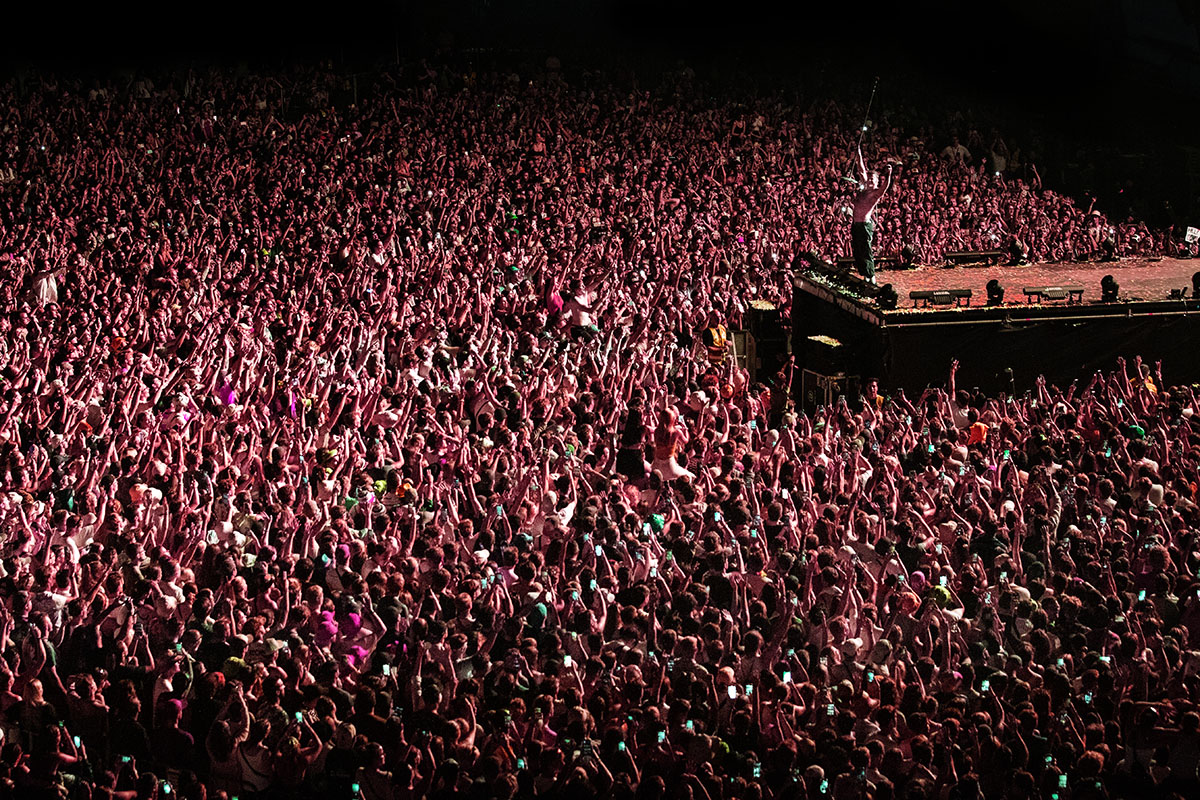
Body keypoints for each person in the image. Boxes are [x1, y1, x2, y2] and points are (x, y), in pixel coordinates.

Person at [851, 146, 893, 283]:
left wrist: (889, 174)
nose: (869, 181)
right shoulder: (865, 189)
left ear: (876, 181)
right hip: (856, 224)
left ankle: (871, 274)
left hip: (864, 224)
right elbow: (860, 167)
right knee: (857, 250)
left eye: (872, 179)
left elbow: (885, 187)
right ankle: (865, 273)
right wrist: (858, 152)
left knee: (866, 250)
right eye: (868, 179)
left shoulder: (875, 193)